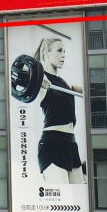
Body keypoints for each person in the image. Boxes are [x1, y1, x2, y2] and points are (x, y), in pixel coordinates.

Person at [31, 37, 84, 184]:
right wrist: (39, 80)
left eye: (64, 51)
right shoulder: (40, 79)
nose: (63, 55)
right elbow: (25, 78)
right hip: (52, 144)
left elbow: (84, 90)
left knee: (79, 194)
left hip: (71, 145)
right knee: (62, 194)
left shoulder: (63, 83)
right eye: (59, 51)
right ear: (46, 53)